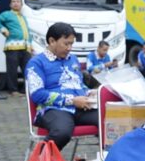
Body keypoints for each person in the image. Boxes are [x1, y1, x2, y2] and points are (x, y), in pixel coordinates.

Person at [25, 22, 98, 150]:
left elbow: (78, 84)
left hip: (80, 107)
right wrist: (72, 100)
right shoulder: (36, 63)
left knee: (111, 121)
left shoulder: (73, 59)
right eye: (66, 44)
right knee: (62, 132)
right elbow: (37, 94)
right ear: (52, 41)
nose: (70, 48)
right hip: (52, 109)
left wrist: (89, 93)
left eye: (71, 44)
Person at [0, 0, 31, 96]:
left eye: (18, 2)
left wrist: (30, 44)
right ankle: (13, 90)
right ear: (10, 5)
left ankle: (25, 89)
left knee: (28, 69)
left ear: (21, 5)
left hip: (25, 47)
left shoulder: (23, 17)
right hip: (12, 47)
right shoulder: (7, 14)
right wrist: (3, 29)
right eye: (13, 2)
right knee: (12, 70)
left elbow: (27, 32)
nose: (16, 3)